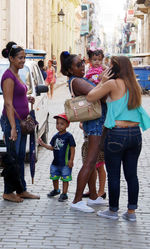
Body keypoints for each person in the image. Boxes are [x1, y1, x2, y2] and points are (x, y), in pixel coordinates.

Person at [86, 56, 150, 221]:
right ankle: (131, 213)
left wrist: (102, 81)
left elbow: (90, 97)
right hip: (135, 134)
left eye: (110, 65)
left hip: (117, 133)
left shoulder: (112, 84)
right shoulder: (134, 85)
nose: (107, 67)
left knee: (114, 175)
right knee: (132, 175)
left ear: (115, 68)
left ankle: (113, 211)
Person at [60, 51, 107, 213]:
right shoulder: (77, 81)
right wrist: (105, 81)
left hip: (95, 123)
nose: (83, 66)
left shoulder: (79, 79)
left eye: (82, 63)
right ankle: (77, 199)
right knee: (90, 161)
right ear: (70, 69)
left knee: (92, 162)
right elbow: (99, 95)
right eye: (78, 65)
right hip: (94, 124)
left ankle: (93, 196)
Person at [0, 41, 40, 203]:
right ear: (11, 58)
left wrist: (26, 98)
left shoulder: (18, 74)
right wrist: (12, 129)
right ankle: (8, 191)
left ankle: (21, 189)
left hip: (22, 121)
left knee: (20, 156)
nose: (23, 61)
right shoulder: (8, 76)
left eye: (24, 58)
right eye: (19, 58)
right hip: (13, 122)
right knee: (12, 157)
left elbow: (17, 96)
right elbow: (8, 103)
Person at [38, 113, 76, 202]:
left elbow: (72, 148)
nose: (59, 125)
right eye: (57, 123)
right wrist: (43, 144)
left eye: (62, 124)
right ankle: (56, 190)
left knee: (65, 178)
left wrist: (71, 160)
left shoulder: (69, 136)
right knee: (54, 177)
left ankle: (64, 193)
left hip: (65, 163)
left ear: (67, 125)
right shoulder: (55, 136)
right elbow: (52, 147)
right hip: (55, 162)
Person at [80, 122, 107, 199]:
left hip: (99, 142)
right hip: (88, 141)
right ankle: (92, 190)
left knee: (100, 167)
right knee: (91, 168)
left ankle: (101, 191)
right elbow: (81, 123)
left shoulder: (104, 112)